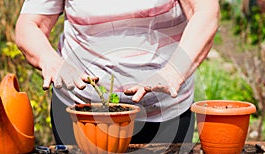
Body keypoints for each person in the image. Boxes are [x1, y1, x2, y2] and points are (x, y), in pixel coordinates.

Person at [15, 0, 220, 146]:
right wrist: (49, 59)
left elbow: (206, 12)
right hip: (81, 113)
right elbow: (30, 25)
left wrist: (175, 71)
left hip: (165, 114)